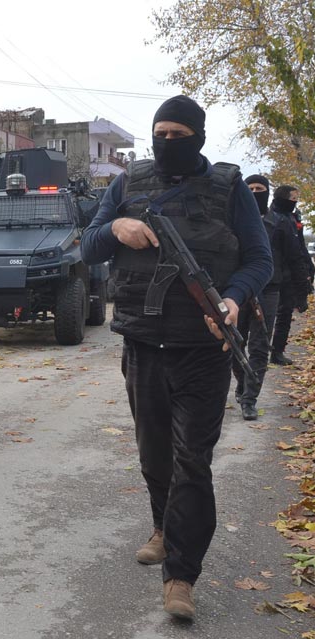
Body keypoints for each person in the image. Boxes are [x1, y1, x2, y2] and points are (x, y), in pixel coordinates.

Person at [79, 95, 272, 621]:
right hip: (143, 346)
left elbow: (259, 259)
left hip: (204, 352)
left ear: (199, 137)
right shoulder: (127, 184)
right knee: (154, 456)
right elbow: (88, 244)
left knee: (194, 461)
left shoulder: (231, 190)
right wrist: (116, 227)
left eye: (178, 135)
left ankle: (181, 576)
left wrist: (231, 299)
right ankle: (164, 526)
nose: (167, 143)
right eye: (159, 133)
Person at [233, 176, 309, 419]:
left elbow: (294, 257)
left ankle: (250, 398)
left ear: (268, 192)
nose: (255, 192)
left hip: (269, 290)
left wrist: (302, 291)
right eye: (250, 188)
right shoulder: (233, 219)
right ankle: (243, 381)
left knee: (259, 346)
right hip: (238, 291)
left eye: (260, 189)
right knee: (235, 343)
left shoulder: (280, 222)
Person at [270, 185, 312, 365]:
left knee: (285, 313)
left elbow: (300, 247)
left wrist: (309, 269)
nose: (295, 202)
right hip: (272, 273)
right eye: (293, 199)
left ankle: (277, 351)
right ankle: (259, 353)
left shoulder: (293, 218)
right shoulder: (269, 218)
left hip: (289, 273)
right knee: (265, 315)